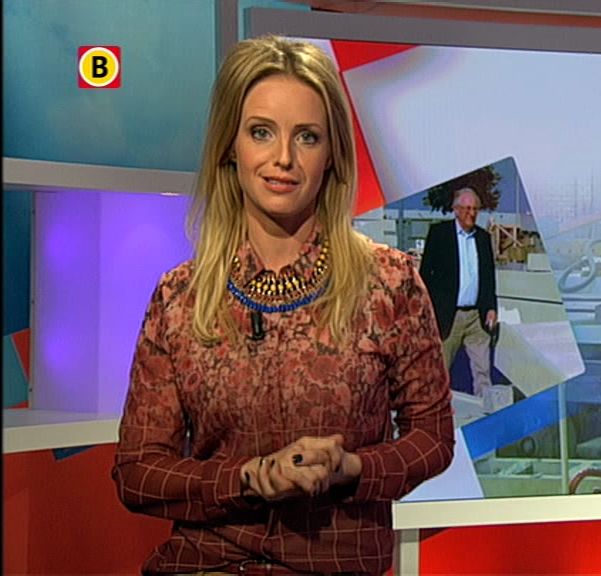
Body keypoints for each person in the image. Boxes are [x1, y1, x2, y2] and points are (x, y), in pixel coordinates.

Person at [112, 36, 454, 576]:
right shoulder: (181, 297)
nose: (284, 159)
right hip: (206, 566)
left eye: (307, 137)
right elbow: (137, 473)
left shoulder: (389, 284)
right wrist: (248, 478)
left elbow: (431, 440)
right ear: (230, 146)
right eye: (261, 132)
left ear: (332, 154)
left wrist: (351, 468)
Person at [419, 187, 498, 397]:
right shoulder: (439, 234)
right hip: (449, 316)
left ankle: (487, 410)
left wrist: (491, 307)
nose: (471, 213)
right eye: (467, 208)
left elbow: (489, 277)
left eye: (475, 209)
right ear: (456, 209)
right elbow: (425, 275)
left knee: (483, 372)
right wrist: (428, 311)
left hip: (477, 317)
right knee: (441, 372)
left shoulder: (483, 238)